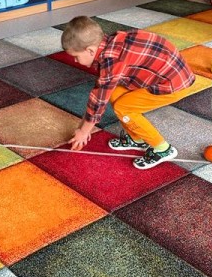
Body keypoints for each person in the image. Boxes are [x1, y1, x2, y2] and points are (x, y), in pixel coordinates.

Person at [60, 16, 195, 169]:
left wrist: (84, 132)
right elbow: (100, 94)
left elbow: (99, 102)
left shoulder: (111, 61)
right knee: (115, 94)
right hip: (163, 75)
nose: (75, 61)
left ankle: (163, 148)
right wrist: (83, 126)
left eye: (76, 57)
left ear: (90, 50)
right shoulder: (111, 43)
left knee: (123, 108)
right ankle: (137, 139)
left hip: (173, 84)